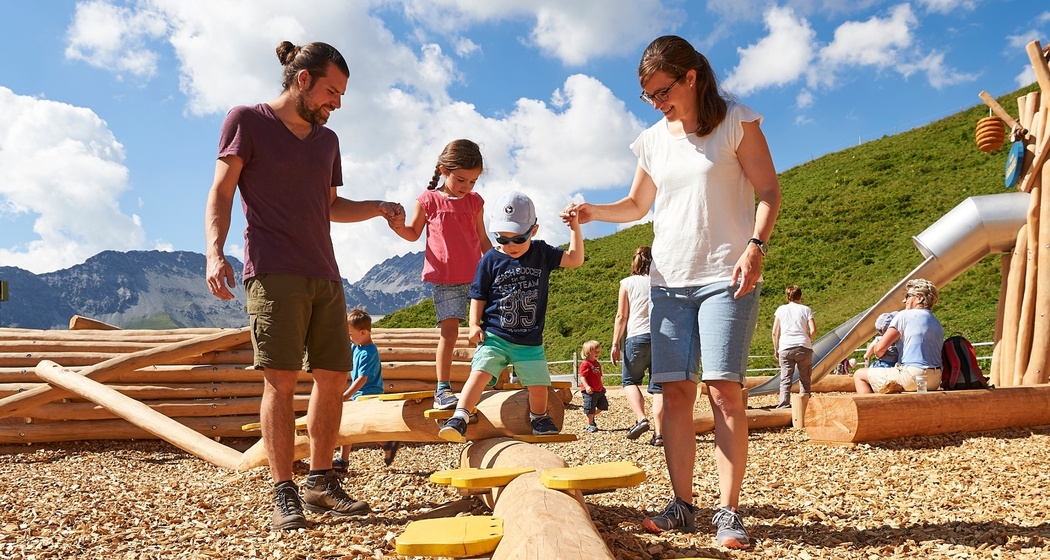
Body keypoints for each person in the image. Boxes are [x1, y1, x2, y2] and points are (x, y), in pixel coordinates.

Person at [561, 35, 781, 549]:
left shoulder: (736, 122)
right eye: (649, 97)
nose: (658, 104)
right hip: (668, 282)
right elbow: (638, 205)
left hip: (727, 275)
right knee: (675, 394)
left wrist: (755, 246)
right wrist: (594, 212)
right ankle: (682, 505)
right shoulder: (652, 140)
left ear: (690, 78)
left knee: (724, 390)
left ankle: (728, 512)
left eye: (663, 91)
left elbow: (769, 191)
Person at [204, 40, 403, 532]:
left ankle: (320, 480)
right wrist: (214, 252)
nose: (337, 103)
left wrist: (377, 207)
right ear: (302, 80)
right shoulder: (246, 120)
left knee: (334, 377)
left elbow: (330, 207)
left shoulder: (327, 142)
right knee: (281, 379)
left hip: (326, 274)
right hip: (272, 270)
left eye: (341, 95)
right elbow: (222, 191)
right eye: (331, 92)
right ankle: (283, 490)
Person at [439, 190, 585, 442]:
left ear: (534, 231)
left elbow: (575, 259)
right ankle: (460, 415)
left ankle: (538, 417)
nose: (510, 246)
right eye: (502, 239)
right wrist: (474, 324)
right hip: (495, 335)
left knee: (539, 385)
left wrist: (574, 228)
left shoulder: (541, 253)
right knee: (480, 372)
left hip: (529, 341)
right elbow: (478, 295)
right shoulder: (490, 259)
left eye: (518, 239)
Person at [387, 139, 492, 411]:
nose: (466, 187)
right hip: (445, 279)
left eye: (472, 182)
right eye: (461, 180)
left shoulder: (475, 202)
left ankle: (484, 379)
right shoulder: (428, 200)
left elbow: (482, 238)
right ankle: (443, 389)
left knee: (487, 329)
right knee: (449, 333)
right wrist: (395, 224)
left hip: (477, 277)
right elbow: (412, 233)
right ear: (444, 170)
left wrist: (498, 264)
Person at [332, 308, 399, 472]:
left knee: (361, 427)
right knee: (352, 426)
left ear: (363, 332)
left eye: (351, 334)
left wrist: (346, 395)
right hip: (360, 395)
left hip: (369, 395)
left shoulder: (368, 352)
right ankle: (345, 459)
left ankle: (345, 460)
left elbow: (363, 378)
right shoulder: (357, 346)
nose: (349, 337)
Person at [611, 246, 664, 445]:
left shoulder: (627, 283)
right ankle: (659, 434)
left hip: (636, 337)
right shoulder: (660, 282)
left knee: (629, 381)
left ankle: (641, 418)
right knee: (658, 388)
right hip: (660, 338)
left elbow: (621, 316)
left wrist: (615, 343)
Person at [855, 279, 944, 393]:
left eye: (908, 296)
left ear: (920, 298)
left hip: (912, 377)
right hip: (934, 380)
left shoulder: (904, 316)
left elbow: (879, 349)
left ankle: (871, 410)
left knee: (859, 375)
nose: (904, 300)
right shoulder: (936, 321)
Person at [771, 285, 817, 409]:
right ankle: (805, 405)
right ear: (800, 296)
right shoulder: (806, 309)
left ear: (787, 296)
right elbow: (813, 330)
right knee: (805, 378)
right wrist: (807, 340)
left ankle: (784, 405)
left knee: (785, 378)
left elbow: (775, 332)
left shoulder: (781, 309)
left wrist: (776, 349)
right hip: (803, 347)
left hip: (785, 347)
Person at [578, 340, 608, 433]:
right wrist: (587, 386)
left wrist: (602, 386)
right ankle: (589, 424)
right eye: (595, 351)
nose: (598, 353)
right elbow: (583, 377)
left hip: (598, 390)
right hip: (589, 391)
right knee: (589, 407)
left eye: (599, 351)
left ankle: (591, 416)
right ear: (587, 352)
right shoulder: (585, 364)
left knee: (603, 406)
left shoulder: (597, 364)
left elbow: (599, 376)